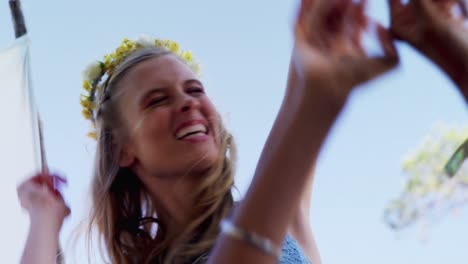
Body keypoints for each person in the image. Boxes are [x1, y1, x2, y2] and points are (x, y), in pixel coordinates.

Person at [19, 0, 468, 263]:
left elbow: (310, 60)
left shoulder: (283, 211)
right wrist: (44, 217)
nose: (189, 102)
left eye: (194, 88)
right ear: (123, 150)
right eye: (157, 100)